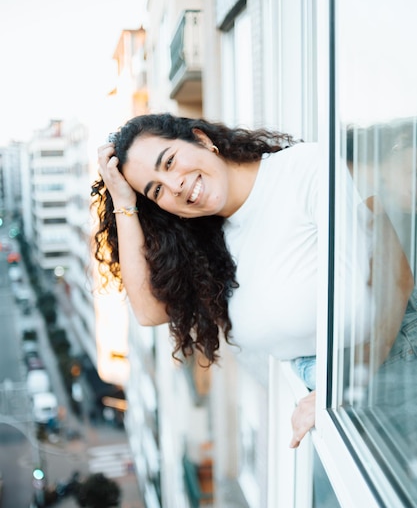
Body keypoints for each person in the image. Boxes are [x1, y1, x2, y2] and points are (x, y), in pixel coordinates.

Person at [90, 113, 409, 448]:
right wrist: (124, 204)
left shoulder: (306, 168)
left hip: (390, 370)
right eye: (156, 191)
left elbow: (396, 274)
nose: (175, 186)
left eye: (169, 162)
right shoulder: (212, 247)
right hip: (339, 400)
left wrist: (343, 384)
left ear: (202, 140)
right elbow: (149, 312)